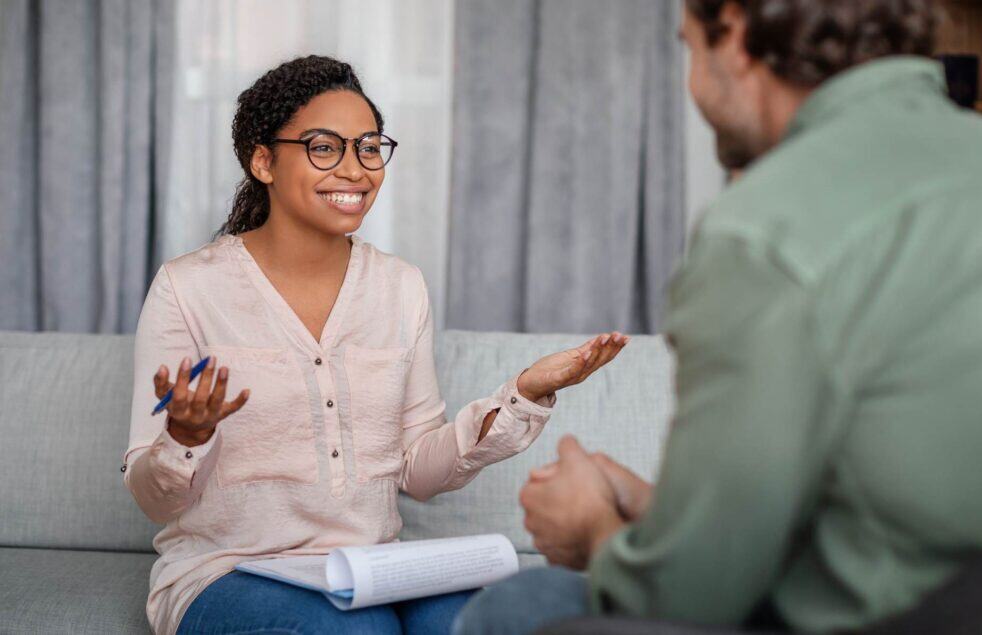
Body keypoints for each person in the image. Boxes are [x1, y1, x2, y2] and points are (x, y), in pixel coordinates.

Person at [454, 1, 982, 633]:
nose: (693, 84)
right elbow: (898, 492)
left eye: (691, 50)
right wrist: (661, 514)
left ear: (738, 34)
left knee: (519, 606)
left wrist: (591, 528)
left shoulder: (762, 232)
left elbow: (683, 600)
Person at [122, 55, 628, 635]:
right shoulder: (189, 288)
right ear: (263, 160)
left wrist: (523, 395)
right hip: (227, 572)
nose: (355, 169)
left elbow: (418, 471)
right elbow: (153, 498)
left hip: (372, 570)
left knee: (485, 620)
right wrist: (185, 436)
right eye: (323, 147)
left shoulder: (400, 285)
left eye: (367, 146)